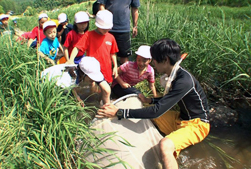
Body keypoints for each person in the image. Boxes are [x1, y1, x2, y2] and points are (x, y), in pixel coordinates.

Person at [97, 38, 210, 169]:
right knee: (148, 112)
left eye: (155, 61)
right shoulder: (175, 75)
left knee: (165, 145)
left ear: (166, 60)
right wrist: (148, 100)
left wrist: (119, 112)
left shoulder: (184, 81)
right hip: (180, 118)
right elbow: (167, 100)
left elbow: (158, 110)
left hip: (197, 124)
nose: (153, 65)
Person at [68, 10, 118, 104]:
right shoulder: (89, 35)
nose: (105, 31)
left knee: (106, 91)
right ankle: (94, 107)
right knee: (94, 92)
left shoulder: (111, 37)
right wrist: (70, 60)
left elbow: (113, 53)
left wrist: (115, 66)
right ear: (97, 25)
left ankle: (105, 107)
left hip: (106, 70)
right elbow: (77, 48)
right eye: (103, 28)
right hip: (93, 71)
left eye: (108, 29)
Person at [98, 0, 140, 64]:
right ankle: (108, 72)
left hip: (123, 29)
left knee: (124, 56)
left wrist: (135, 26)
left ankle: (123, 73)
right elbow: (101, 6)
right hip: (107, 29)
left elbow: (135, 9)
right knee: (106, 55)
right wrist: (104, 23)